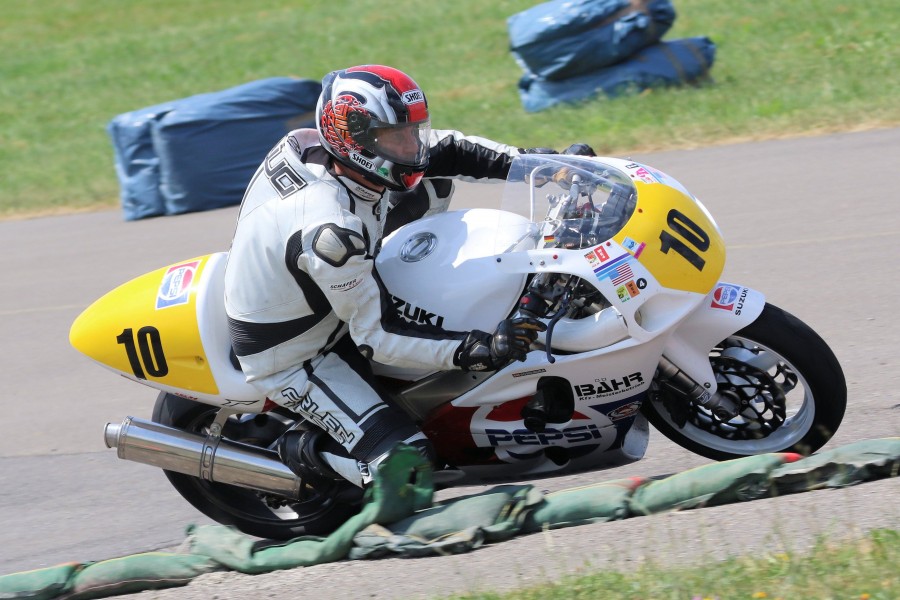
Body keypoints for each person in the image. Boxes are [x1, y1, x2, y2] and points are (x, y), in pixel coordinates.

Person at [224, 64, 591, 495]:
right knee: (410, 465)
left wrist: (538, 163)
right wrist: (476, 349)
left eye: (412, 131)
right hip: (297, 349)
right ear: (354, 140)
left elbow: (447, 148)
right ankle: (304, 456)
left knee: (432, 185)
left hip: (316, 277)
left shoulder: (320, 148)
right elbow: (374, 336)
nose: (412, 146)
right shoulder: (332, 233)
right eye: (396, 138)